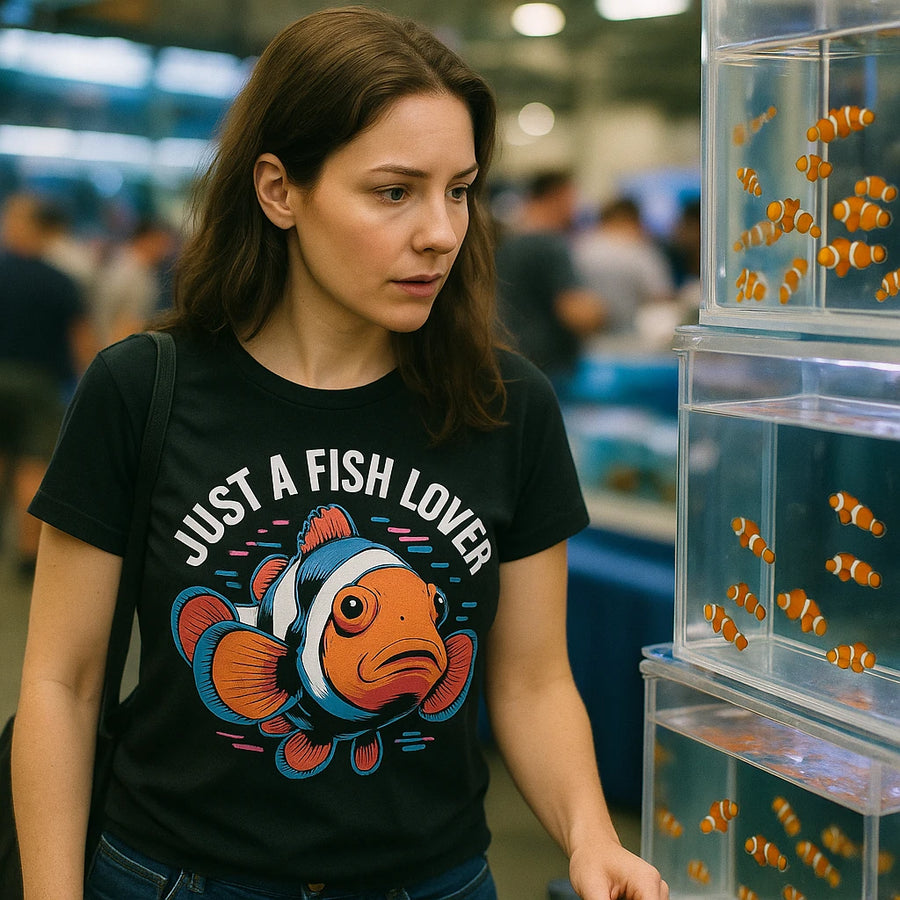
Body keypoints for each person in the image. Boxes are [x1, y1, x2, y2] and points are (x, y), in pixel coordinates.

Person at [11, 8, 669, 900]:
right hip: (177, 878)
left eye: (460, 189)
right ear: (280, 190)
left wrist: (591, 837)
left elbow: (532, 679)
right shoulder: (142, 387)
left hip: (432, 882)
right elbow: (63, 681)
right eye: (394, 192)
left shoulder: (508, 406)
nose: (441, 231)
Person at [0, 191, 93, 575]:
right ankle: (26, 556)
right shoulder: (61, 282)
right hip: (40, 384)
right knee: (33, 466)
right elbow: (82, 343)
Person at [495, 170, 606, 386]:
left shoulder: (508, 240)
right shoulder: (550, 244)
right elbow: (575, 312)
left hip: (513, 357)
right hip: (549, 368)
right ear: (559, 197)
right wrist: (601, 313)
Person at [573, 196, 674, 343]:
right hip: (630, 341)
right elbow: (661, 298)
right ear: (633, 219)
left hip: (585, 341)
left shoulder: (580, 248)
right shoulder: (640, 252)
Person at [90, 216, 176, 348]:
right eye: (162, 242)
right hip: (118, 345)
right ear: (147, 239)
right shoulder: (131, 271)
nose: (166, 249)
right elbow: (126, 321)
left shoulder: (132, 266)